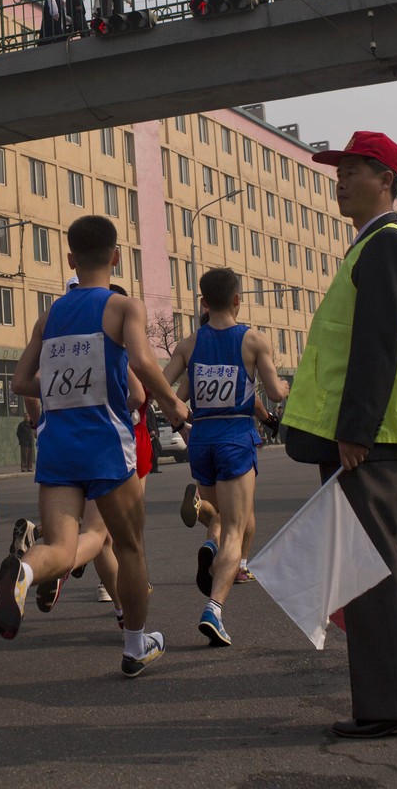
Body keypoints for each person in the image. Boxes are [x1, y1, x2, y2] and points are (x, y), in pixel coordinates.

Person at [280, 131, 397, 740]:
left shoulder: (386, 244)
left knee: (369, 571)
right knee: (392, 561)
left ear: (387, 181)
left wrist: (355, 430)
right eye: (339, 170)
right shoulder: (373, 245)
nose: (340, 179)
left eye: (354, 170)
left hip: (365, 438)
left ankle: (391, 707)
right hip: (374, 435)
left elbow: (377, 342)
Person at [0, 216, 189, 677]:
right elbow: (143, 363)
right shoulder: (123, 307)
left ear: (69, 259)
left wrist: (62, 391)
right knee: (129, 546)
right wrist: (177, 409)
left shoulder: (50, 315)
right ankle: (135, 645)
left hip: (57, 447)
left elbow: (21, 381)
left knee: (64, 547)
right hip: (106, 444)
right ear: (117, 256)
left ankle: (23, 572)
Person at [163, 267, 287, 647]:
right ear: (237, 300)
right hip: (236, 436)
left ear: (203, 302)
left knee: (216, 517)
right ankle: (214, 609)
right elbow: (276, 393)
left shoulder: (188, 344)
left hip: (201, 439)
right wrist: (280, 383)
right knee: (235, 528)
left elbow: (165, 388)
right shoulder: (253, 341)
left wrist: (181, 419)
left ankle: (203, 518)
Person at [16, 408, 37, 473]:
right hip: (24, 443)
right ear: (24, 417)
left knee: (30, 456)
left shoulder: (31, 424)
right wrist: (21, 440)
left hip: (30, 442)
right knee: (24, 456)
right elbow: (18, 433)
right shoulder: (21, 425)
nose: (27, 417)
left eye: (28, 416)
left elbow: (34, 431)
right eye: (26, 416)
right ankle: (24, 468)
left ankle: (29, 467)